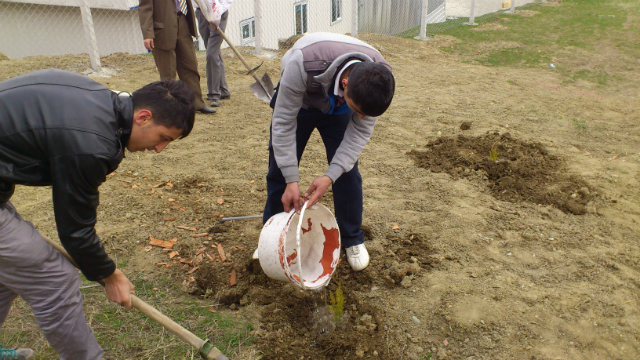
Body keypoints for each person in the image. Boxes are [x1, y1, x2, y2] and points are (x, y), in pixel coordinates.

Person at [0, 68, 196, 360]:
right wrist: (109, 274)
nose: (159, 149)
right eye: (163, 137)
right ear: (143, 117)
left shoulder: (101, 100)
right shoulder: (91, 142)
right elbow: (75, 231)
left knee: (10, 269)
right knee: (53, 277)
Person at [260, 32, 395, 272]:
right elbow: (282, 123)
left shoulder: (377, 80)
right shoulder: (302, 63)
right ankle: (271, 237)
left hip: (339, 109)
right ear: (345, 83)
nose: (362, 118)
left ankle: (352, 239)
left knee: (348, 173)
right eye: (359, 111)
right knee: (279, 169)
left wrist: (330, 176)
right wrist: (292, 179)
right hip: (302, 99)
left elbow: (358, 135)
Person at [139, 0, 216, 114]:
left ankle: (195, 103)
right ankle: (171, 108)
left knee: (190, 66)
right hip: (163, 29)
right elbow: (145, 8)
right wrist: (148, 34)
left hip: (183, 21)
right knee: (168, 72)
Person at [194, 0, 232, 107]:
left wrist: (216, 15)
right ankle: (223, 89)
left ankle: (214, 94)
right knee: (213, 52)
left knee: (211, 53)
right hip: (201, 13)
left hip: (219, 14)